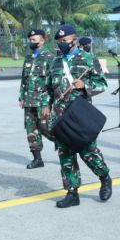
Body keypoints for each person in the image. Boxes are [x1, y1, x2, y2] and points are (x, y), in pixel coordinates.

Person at [43, 24, 112, 208]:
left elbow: (102, 84)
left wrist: (85, 86)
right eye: (59, 42)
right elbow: (48, 87)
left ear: (74, 40)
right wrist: (45, 105)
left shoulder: (88, 59)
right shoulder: (55, 62)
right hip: (60, 115)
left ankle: (104, 177)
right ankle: (72, 192)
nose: (61, 45)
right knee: (65, 154)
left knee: (88, 151)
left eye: (64, 41)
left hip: (79, 113)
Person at [18, 29, 53, 169]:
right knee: (31, 130)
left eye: (34, 40)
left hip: (42, 101)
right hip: (29, 100)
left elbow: (52, 82)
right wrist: (21, 96)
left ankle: (68, 148)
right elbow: (24, 79)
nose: (31, 42)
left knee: (48, 129)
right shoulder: (29, 57)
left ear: (42, 40)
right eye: (30, 40)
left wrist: (48, 103)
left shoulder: (49, 57)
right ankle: (37, 159)